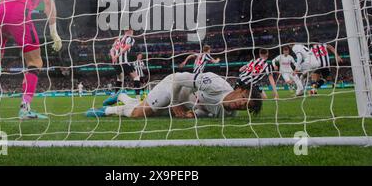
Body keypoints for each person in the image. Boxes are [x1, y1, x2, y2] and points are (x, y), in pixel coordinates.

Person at [86, 72, 262, 119]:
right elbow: (177, 79)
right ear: (240, 90)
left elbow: (205, 111)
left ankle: (122, 96)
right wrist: (176, 103)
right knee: (139, 114)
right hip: (172, 87)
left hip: (184, 103)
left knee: (147, 110)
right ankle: (106, 111)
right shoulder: (214, 83)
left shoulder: (229, 113)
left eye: (247, 107)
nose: (242, 105)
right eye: (244, 99)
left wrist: (193, 114)